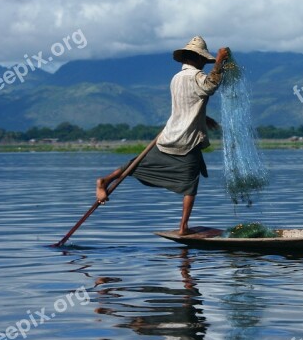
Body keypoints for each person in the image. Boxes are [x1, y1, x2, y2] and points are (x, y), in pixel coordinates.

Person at [96, 36, 229, 235]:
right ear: (198, 59)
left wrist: (203, 118)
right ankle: (183, 227)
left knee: (136, 164)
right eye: (203, 59)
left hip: (169, 135)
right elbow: (211, 85)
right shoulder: (196, 76)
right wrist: (219, 61)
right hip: (186, 140)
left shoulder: (176, 78)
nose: (203, 62)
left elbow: (188, 104)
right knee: (190, 183)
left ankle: (105, 180)